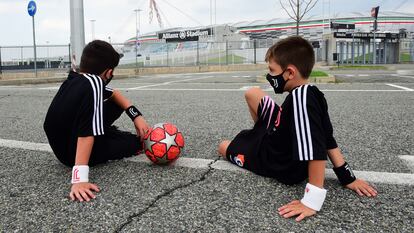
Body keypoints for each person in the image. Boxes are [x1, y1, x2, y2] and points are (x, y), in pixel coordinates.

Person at [218, 36, 377, 222]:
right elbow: (328, 138)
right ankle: (258, 131)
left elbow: (316, 148)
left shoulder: (301, 98)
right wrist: (347, 177)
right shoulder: (313, 93)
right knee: (252, 92)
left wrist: (311, 201)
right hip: (277, 131)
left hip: (273, 158)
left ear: (290, 73)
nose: (270, 76)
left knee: (223, 146)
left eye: (272, 70)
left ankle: (255, 138)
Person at [44, 40, 150, 202]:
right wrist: (80, 180)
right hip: (72, 153)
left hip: (60, 144)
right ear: (108, 73)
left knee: (114, 103)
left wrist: (137, 116)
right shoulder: (95, 83)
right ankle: (115, 138)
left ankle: (106, 133)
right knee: (134, 143)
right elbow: (85, 134)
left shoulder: (73, 79)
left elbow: (115, 94)